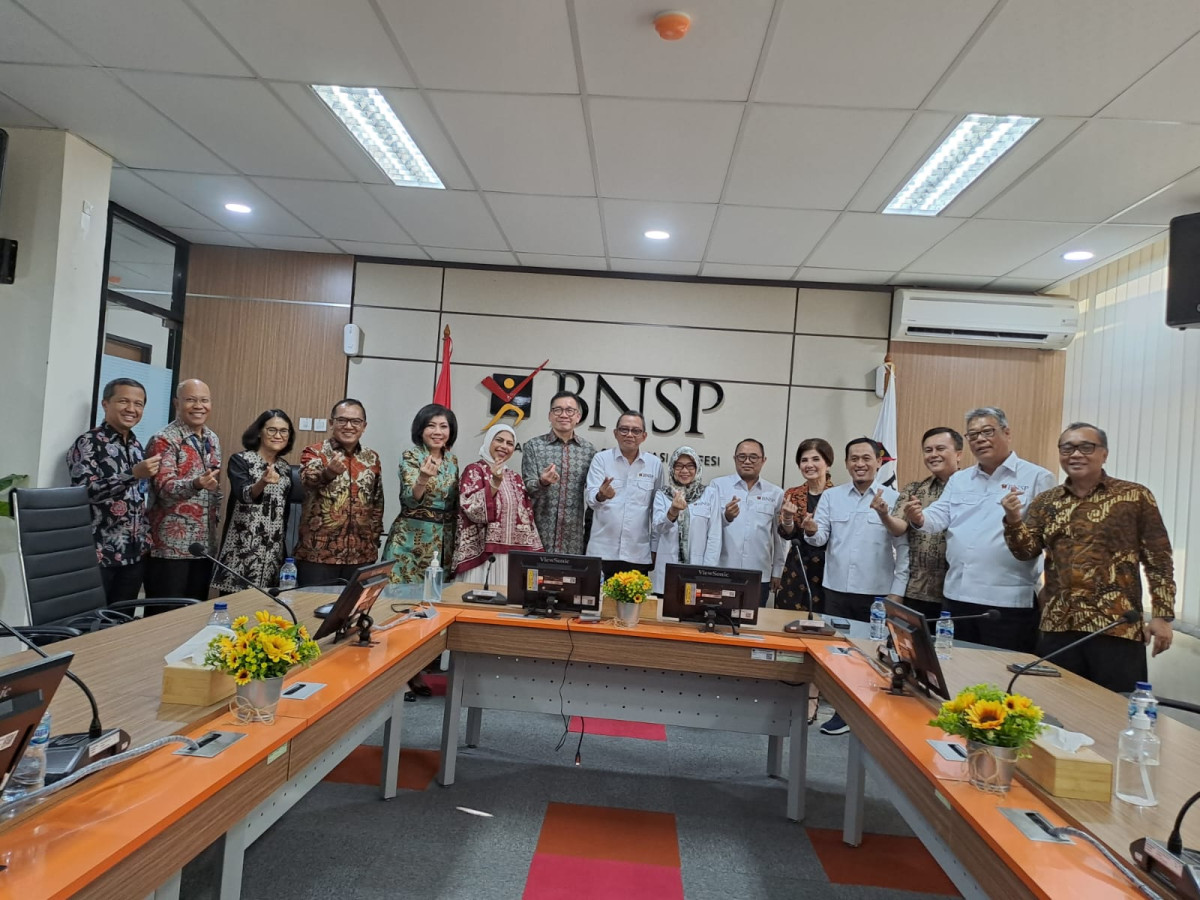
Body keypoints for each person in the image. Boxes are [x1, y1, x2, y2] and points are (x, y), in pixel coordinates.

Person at [1003, 423, 1176, 692]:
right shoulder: (1047, 501)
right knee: (1054, 706)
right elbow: (1026, 552)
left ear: (1104, 454)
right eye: (1067, 448)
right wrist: (1014, 521)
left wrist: (1162, 616)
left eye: (1086, 447)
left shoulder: (1134, 496)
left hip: (1116, 626)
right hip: (1059, 625)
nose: (1075, 454)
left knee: (1114, 709)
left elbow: (1159, 557)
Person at [905, 407, 1056, 653]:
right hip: (957, 595)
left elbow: (1047, 539)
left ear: (1007, 433)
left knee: (1000, 669)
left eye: (987, 432)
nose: (980, 440)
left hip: (1007, 601)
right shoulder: (960, 479)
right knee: (956, 665)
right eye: (973, 435)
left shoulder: (1038, 477)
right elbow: (938, 516)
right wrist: (919, 517)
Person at [803, 437, 908, 736]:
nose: (860, 464)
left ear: (879, 462)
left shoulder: (894, 498)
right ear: (846, 463)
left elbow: (904, 549)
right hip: (836, 589)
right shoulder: (832, 496)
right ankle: (842, 711)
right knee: (837, 653)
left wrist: (898, 591)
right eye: (854, 458)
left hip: (876, 593)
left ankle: (865, 712)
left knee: (870, 655)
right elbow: (820, 538)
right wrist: (811, 530)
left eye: (866, 458)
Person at [66, 377, 161, 604]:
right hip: (99, 555)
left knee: (123, 621)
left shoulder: (137, 446)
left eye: (138, 404)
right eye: (123, 401)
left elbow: (138, 497)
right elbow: (83, 492)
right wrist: (132, 474)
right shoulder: (89, 442)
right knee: (92, 621)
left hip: (134, 554)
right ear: (105, 404)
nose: (131, 409)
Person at [144, 378, 222, 601]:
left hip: (203, 545)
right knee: (166, 613)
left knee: (196, 611)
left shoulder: (212, 438)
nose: (199, 406)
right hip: (170, 548)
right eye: (191, 400)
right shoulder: (163, 439)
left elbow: (212, 486)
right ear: (176, 403)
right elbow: (164, 488)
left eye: (204, 400)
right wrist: (196, 483)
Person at [295, 399, 384, 587]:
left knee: (355, 606)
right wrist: (328, 473)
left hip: (361, 555)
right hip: (318, 554)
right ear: (331, 423)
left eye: (356, 421)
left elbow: (377, 503)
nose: (349, 426)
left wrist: (373, 540)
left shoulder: (372, 458)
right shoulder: (315, 452)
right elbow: (308, 481)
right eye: (342, 420)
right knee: (312, 605)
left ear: (364, 426)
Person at [877, 427, 963, 622]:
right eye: (928, 450)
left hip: (957, 591)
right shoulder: (914, 489)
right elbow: (899, 528)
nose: (933, 455)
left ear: (958, 454)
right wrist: (884, 515)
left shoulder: (972, 490)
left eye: (940, 449)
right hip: (917, 590)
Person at [213, 410, 295, 595]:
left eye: (284, 431)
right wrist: (262, 482)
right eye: (272, 430)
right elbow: (245, 495)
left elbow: (285, 516)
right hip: (242, 551)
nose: (278, 435)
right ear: (259, 432)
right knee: (236, 609)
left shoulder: (285, 468)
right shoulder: (241, 460)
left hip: (273, 554)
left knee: (267, 609)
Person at [701, 439, 787, 607]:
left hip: (758, 574)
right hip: (723, 570)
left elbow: (780, 538)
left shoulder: (776, 493)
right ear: (735, 459)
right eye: (742, 457)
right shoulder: (717, 486)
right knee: (719, 616)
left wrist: (778, 570)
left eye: (753, 457)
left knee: (754, 619)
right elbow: (708, 528)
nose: (747, 461)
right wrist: (726, 517)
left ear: (763, 460)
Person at [452, 422, 542, 583]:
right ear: (488, 441)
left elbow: (527, 517)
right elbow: (471, 509)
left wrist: (533, 551)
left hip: (511, 557)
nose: (504, 446)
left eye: (510, 443)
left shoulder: (515, 477)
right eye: (499, 440)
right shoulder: (474, 470)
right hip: (482, 556)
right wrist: (494, 483)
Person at [383, 403, 460, 584]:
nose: (438, 432)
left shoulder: (452, 460)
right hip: (410, 539)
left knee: (435, 594)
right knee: (400, 594)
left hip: (443, 541)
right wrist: (423, 478)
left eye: (443, 426)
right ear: (420, 429)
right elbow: (410, 499)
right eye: (431, 426)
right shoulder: (411, 456)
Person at [585, 410, 662, 578]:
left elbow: (656, 511)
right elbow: (591, 499)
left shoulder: (654, 464)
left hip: (637, 554)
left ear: (644, 436)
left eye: (636, 431)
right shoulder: (601, 459)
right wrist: (601, 496)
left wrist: (655, 548)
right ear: (615, 433)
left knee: (635, 596)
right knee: (597, 596)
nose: (629, 434)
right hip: (602, 552)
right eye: (624, 429)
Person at [521, 390, 597, 554]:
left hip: (572, 539)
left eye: (570, 410)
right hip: (537, 535)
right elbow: (528, 488)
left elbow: (592, 495)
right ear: (550, 416)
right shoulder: (533, 446)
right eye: (557, 410)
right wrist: (543, 482)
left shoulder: (589, 451)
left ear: (578, 416)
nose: (563, 415)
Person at [776, 439, 835, 613]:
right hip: (797, 566)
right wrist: (788, 519)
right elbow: (787, 534)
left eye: (816, 459)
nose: (809, 465)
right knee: (788, 618)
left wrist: (814, 530)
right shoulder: (792, 494)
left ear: (828, 464)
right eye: (804, 460)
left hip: (827, 568)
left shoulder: (838, 495)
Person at [649, 446, 707, 595]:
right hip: (667, 565)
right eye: (679, 465)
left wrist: (709, 570)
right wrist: (673, 511)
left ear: (697, 468)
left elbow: (714, 536)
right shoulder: (663, 494)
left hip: (698, 568)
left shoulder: (709, 494)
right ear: (672, 468)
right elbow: (658, 528)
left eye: (690, 466)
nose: (684, 470)